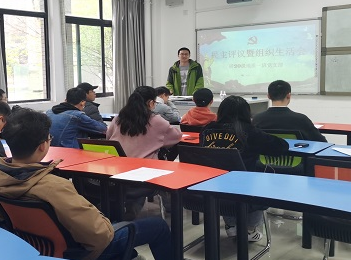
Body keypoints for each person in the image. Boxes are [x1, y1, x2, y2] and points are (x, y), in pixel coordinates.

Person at [0, 108, 204, 260]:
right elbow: (99, 238)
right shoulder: (53, 187)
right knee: (157, 226)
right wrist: (108, 227)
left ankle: (132, 257)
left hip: (39, 248)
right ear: (43, 146)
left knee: (107, 218)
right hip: (81, 254)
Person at [202, 95, 288, 240]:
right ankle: (249, 229)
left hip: (212, 187)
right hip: (244, 190)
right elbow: (281, 146)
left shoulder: (207, 130)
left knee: (226, 181)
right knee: (262, 182)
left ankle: (231, 225)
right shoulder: (249, 131)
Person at [107, 86, 182, 160]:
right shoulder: (156, 120)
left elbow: (108, 137)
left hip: (117, 162)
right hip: (145, 165)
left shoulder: (118, 118)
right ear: (151, 103)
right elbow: (177, 137)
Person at [252, 80, 327, 142]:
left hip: (265, 156)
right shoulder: (301, 119)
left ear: (268, 96)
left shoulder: (257, 119)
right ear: (288, 95)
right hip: (296, 156)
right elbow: (322, 142)